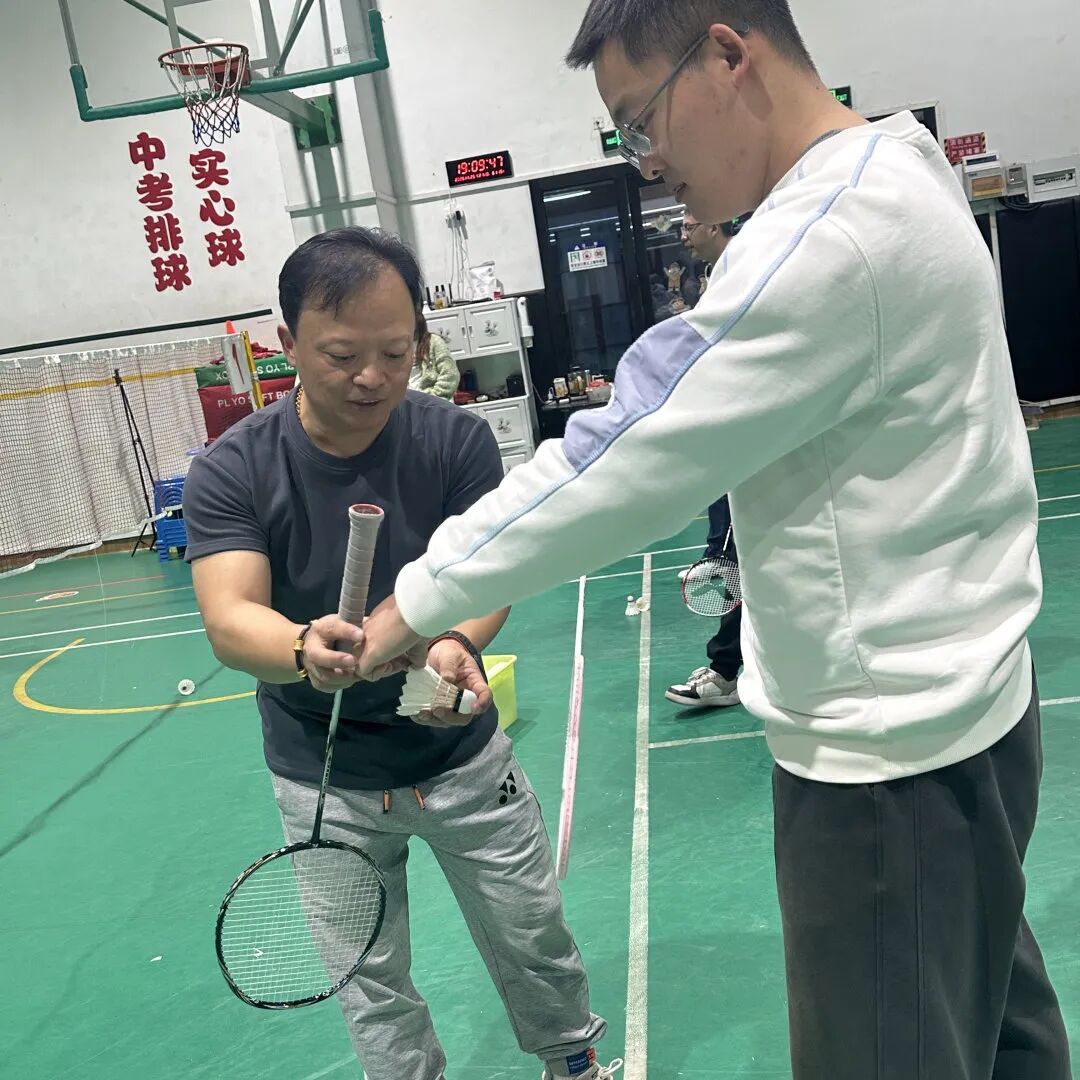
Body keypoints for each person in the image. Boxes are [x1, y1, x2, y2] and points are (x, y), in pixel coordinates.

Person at [355, 3, 1072, 1077]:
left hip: (889, 776)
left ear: (728, 55)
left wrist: (416, 599)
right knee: (1002, 1037)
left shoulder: (825, 239)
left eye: (640, 121)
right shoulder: (903, 163)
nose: (647, 162)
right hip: (971, 720)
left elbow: (624, 454)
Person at [182, 227, 615, 1080]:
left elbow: (488, 577)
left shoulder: (453, 442)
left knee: (530, 931)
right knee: (367, 979)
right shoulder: (234, 469)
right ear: (288, 343)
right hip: (323, 770)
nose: (373, 377)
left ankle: (572, 1063)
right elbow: (230, 619)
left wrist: (453, 642)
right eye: (343, 355)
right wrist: (303, 647)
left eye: (395, 351)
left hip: (457, 754)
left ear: (420, 339)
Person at [668, 210, 746, 708]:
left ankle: (725, 672)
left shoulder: (745, 268)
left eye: (688, 225)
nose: (682, 235)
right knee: (730, 554)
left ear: (714, 225)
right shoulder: (716, 274)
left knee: (735, 559)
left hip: (747, 445)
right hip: (725, 443)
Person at [410, 312, 461, 399]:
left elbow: (450, 374)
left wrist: (433, 397)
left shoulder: (434, 341)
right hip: (408, 402)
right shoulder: (397, 345)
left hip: (433, 401)